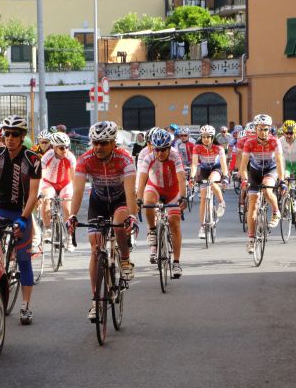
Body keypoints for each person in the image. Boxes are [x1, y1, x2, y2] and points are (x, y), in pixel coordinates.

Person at [66, 121, 138, 321]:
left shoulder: (125, 159)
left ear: (114, 142)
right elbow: (78, 190)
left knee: (117, 224)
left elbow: (130, 192)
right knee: (95, 246)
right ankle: (96, 300)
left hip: (120, 200)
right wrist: (72, 215)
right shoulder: (85, 159)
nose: (98, 147)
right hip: (98, 202)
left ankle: (124, 258)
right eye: (95, 142)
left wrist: (132, 215)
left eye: (104, 143)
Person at [0, 115, 41, 325]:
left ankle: (25, 306)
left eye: (15, 134)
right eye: (7, 134)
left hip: (21, 212)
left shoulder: (32, 159)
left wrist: (23, 217)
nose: (10, 138)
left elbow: (33, 194)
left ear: (22, 137)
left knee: (23, 259)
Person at [136, 129, 187, 276]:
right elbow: (142, 180)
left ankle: (176, 263)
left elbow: (181, 178)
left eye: (163, 149)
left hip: (173, 191)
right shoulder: (148, 157)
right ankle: (152, 230)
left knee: (174, 223)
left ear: (169, 147)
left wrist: (183, 197)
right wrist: (139, 199)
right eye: (157, 149)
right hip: (155, 187)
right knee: (148, 201)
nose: (160, 153)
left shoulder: (175, 155)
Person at [239, 114, 285, 253]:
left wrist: (282, 180)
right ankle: (251, 240)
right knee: (252, 203)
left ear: (269, 129)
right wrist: (245, 180)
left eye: (266, 129)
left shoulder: (275, 142)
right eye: (260, 129)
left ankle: (276, 212)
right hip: (255, 172)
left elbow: (279, 162)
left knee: (266, 189)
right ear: (255, 128)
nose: (263, 132)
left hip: (270, 170)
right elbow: (243, 166)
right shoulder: (249, 143)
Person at [189, 125, 229, 239]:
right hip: (205, 169)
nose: (206, 139)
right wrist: (192, 177)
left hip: (217, 168)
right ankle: (202, 226)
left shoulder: (218, 147)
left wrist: (225, 175)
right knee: (203, 198)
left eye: (209, 137)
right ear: (201, 137)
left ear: (212, 137)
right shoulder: (197, 147)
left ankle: (221, 202)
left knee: (211, 181)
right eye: (204, 137)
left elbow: (223, 164)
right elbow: (194, 165)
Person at [40, 132, 77, 252]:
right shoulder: (47, 156)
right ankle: (48, 229)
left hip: (65, 184)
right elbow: (41, 175)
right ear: (54, 147)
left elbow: (73, 178)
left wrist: (74, 193)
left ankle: (70, 238)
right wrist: (40, 193)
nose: (65, 149)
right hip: (49, 183)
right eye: (62, 147)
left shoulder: (70, 157)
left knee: (67, 207)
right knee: (46, 200)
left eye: (67, 146)